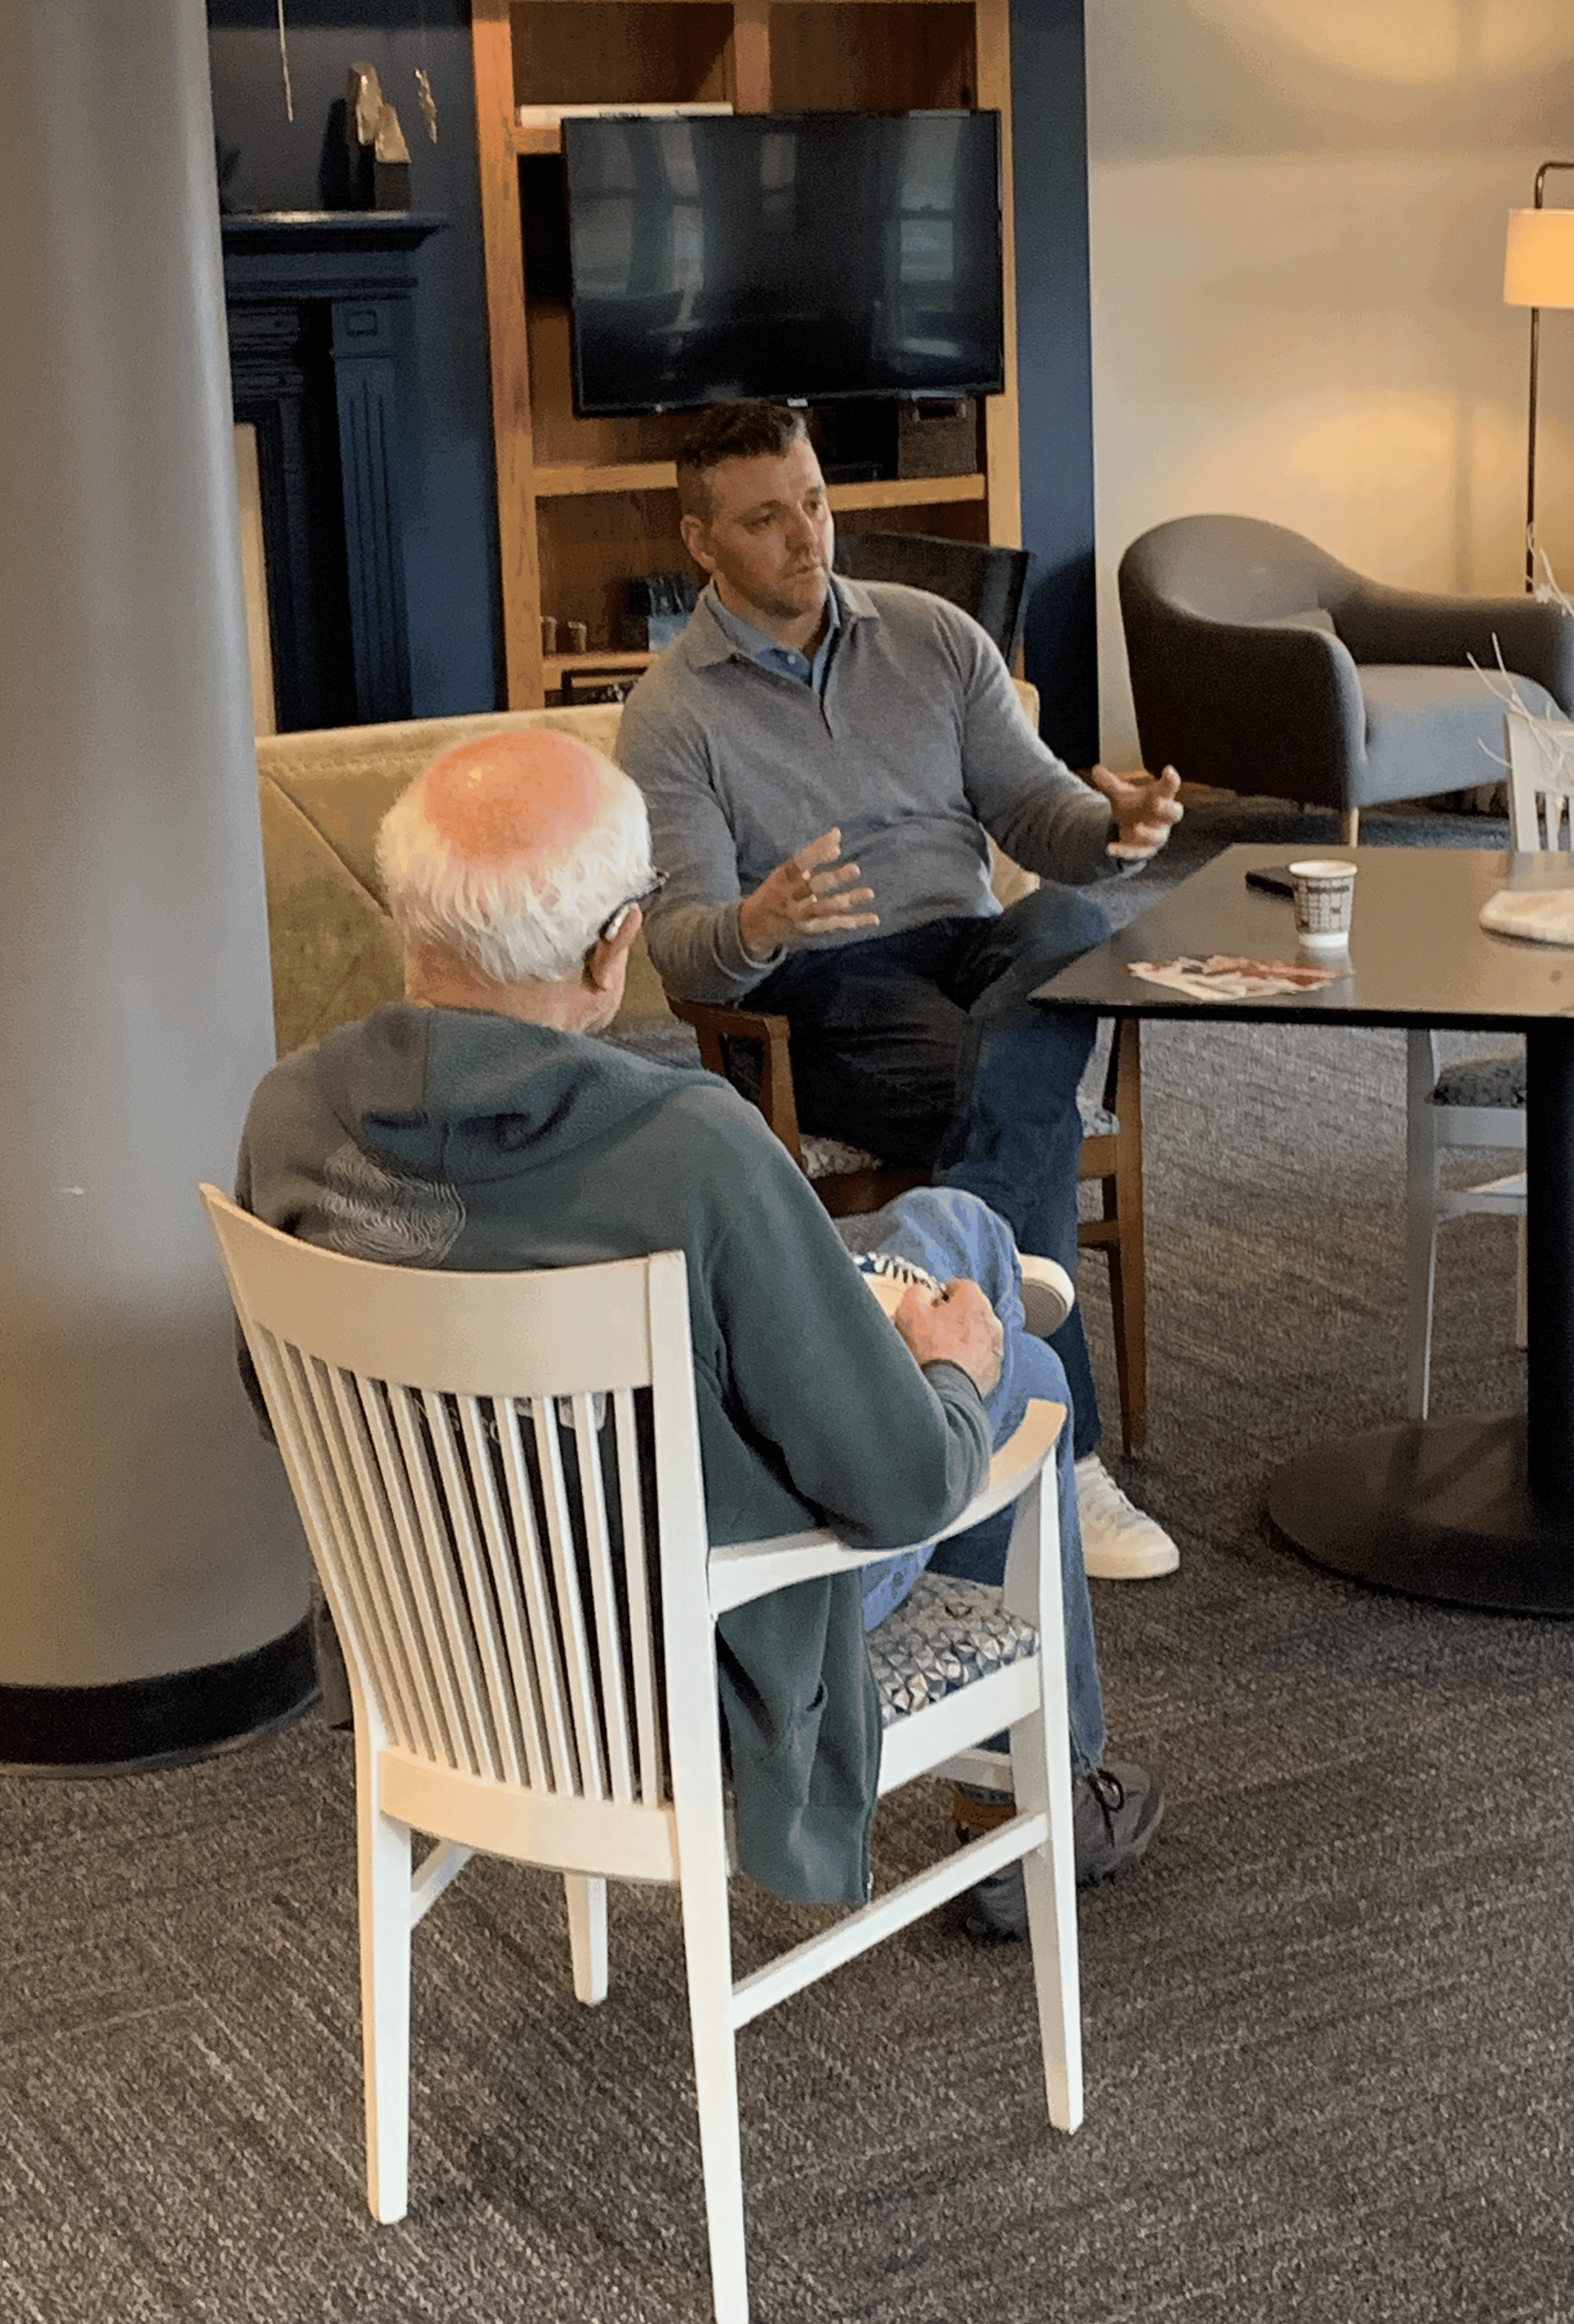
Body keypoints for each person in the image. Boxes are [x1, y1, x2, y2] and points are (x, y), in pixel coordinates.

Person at [236, 727, 1160, 1934]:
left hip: (452, 1643)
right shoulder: (690, 1149)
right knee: (1019, 1371)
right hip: (689, 1655)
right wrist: (950, 1374)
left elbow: (276, 1400)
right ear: (616, 944)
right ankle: (1041, 1801)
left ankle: (910, 1280)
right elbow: (901, 1489)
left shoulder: (288, 1114)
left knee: (938, 1227)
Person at [615, 399, 1186, 1581]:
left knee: (1071, 923)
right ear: (701, 541)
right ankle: (1063, 1458)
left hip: (977, 958)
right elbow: (676, 944)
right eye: (766, 520)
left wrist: (1116, 829)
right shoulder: (672, 716)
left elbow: (1040, 816)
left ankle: (964, 1248)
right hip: (819, 991)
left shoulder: (934, 637)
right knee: (1029, 1068)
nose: (806, 537)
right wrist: (755, 923)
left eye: (815, 503)